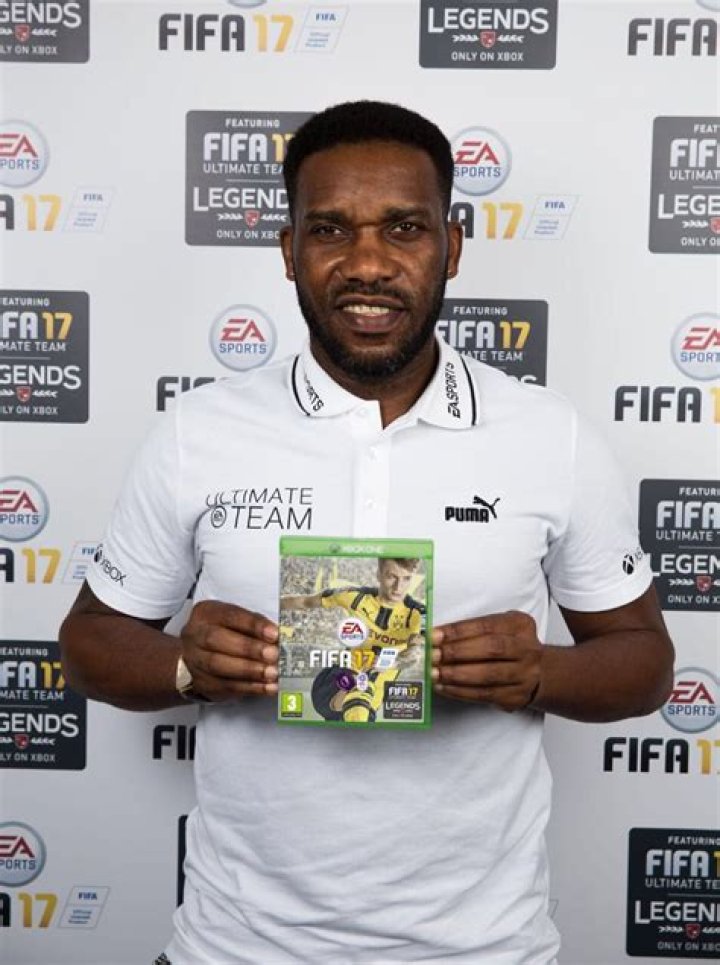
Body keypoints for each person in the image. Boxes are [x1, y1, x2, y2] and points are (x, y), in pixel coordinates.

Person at [60, 100, 674, 964]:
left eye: (405, 228)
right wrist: (184, 665)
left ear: (452, 245)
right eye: (330, 230)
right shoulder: (199, 430)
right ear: (289, 251)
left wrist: (543, 670)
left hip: (482, 950)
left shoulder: (550, 435)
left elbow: (646, 662)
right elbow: (88, 642)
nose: (368, 263)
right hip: (235, 948)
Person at [280, 556, 426, 722]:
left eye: (406, 579)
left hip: (370, 700)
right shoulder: (354, 596)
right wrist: (272, 607)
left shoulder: (419, 614)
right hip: (336, 684)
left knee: (351, 721)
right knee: (357, 700)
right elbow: (305, 602)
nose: (398, 587)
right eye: (391, 577)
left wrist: (393, 663)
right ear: (378, 574)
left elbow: (415, 653)